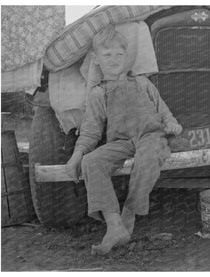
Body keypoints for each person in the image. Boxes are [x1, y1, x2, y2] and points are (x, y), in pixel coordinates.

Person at [65, 24, 182, 255]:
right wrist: (76, 156)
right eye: (107, 54)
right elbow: (90, 131)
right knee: (92, 162)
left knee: (147, 157)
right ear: (95, 59)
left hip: (150, 136)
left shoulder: (141, 83)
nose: (114, 59)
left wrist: (171, 123)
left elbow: (164, 111)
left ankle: (129, 212)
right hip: (121, 143)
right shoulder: (98, 93)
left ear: (126, 57)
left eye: (119, 54)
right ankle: (114, 224)